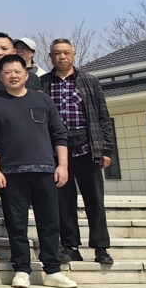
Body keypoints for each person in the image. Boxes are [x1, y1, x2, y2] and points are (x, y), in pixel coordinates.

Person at [0, 54, 76, 288]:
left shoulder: (43, 100)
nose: (13, 76)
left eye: (17, 71)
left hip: (45, 171)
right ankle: (22, 269)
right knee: (16, 224)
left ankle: (52, 270)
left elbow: (59, 134)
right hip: (11, 174)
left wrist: (62, 165)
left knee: (49, 222)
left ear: (26, 75)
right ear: (0, 77)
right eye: (7, 72)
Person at [41, 39, 114, 266]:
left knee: (95, 199)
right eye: (57, 53)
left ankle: (101, 247)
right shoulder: (43, 84)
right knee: (64, 201)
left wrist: (106, 149)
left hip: (87, 147)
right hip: (56, 150)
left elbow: (103, 117)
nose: (62, 57)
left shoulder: (90, 81)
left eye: (66, 53)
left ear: (74, 54)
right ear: (51, 57)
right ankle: (70, 246)